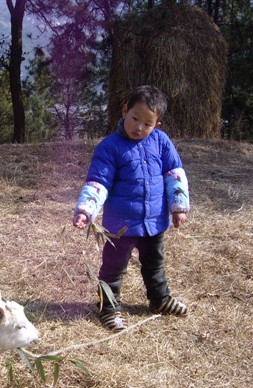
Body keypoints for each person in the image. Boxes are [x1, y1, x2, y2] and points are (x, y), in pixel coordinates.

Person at [72, 85, 190, 332]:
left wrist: (178, 206)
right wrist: (86, 209)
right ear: (125, 111)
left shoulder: (161, 142)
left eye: (147, 124)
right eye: (135, 119)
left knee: (154, 263)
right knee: (114, 268)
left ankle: (160, 300)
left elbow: (174, 173)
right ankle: (108, 307)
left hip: (153, 221)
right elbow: (98, 182)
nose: (139, 127)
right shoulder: (109, 147)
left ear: (157, 125)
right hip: (121, 225)